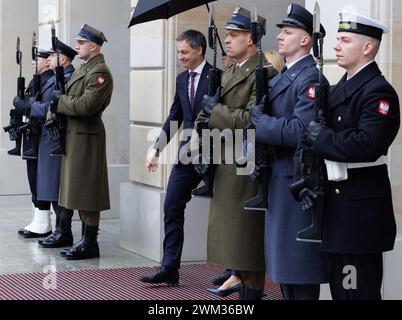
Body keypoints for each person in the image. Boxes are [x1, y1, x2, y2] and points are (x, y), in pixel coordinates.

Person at [306, 11, 400, 300]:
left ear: (367, 47)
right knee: (341, 291)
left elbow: (367, 144)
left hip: (358, 216)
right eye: (337, 39)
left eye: (345, 40)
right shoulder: (338, 88)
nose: (336, 46)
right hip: (337, 212)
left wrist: (320, 138)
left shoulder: (378, 92)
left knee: (356, 292)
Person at [196, 7, 277, 300]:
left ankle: (252, 294)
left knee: (246, 241)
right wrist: (205, 118)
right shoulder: (231, 70)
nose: (227, 40)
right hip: (225, 160)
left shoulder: (263, 73)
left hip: (246, 164)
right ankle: (240, 284)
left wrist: (214, 110)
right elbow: (211, 114)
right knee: (234, 239)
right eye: (227, 35)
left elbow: (250, 121)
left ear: (252, 39)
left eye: (235, 35)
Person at [251, 3, 329, 300]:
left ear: (306, 39)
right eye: (281, 31)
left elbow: (300, 130)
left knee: (299, 269)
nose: (280, 37)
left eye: (288, 31)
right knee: (286, 271)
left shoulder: (310, 77)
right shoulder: (286, 76)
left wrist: (262, 123)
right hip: (278, 178)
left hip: (296, 181)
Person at [140, 30, 214, 285]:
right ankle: (169, 267)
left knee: (225, 211)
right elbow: (176, 117)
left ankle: (233, 270)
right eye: (178, 52)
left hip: (215, 153)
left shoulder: (217, 77)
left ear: (199, 51)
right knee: (171, 205)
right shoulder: (182, 79)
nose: (180, 56)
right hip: (186, 155)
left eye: (184, 52)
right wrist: (156, 148)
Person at [49, 24, 113, 260]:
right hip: (73, 135)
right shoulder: (84, 69)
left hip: (87, 137)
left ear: (93, 46)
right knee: (75, 189)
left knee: (87, 192)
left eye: (80, 43)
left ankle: (90, 242)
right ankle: (84, 240)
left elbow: (86, 106)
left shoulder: (100, 73)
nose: (76, 47)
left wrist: (60, 101)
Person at [29, 41, 76, 249]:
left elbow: (55, 105)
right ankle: (59, 230)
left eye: (53, 56)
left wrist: (32, 107)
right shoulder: (57, 76)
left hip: (58, 136)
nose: (48, 59)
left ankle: (63, 231)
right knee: (51, 185)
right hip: (49, 136)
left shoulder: (67, 77)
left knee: (58, 186)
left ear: (63, 59)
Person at [14, 49, 54, 239]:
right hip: (31, 133)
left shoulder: (49, 81)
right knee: (33, 176)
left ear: (47, 62)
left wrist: (26, 105)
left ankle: (44, 221)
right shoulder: (35, 80)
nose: (33, 62)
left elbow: (41, 106)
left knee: (39, 178)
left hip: (41, 135)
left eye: (37, 59)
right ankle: (39, 218)